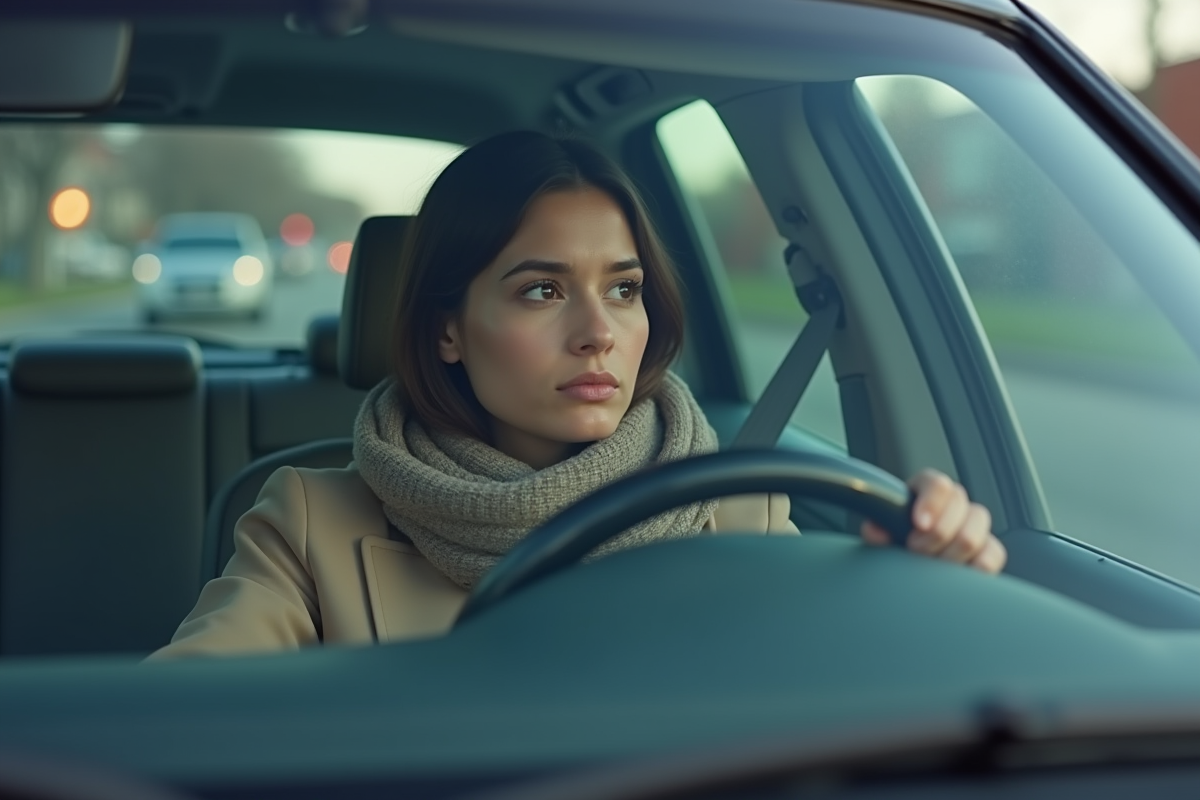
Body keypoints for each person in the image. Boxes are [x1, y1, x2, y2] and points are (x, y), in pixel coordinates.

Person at [150, 132, 1004, 659]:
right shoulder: (312, 522)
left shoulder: (744, 511)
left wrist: (929, 591)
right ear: (448, 328)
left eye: (624, 289)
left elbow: (843, 710)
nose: (598, 331)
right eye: (542, 291)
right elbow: (178, 723)